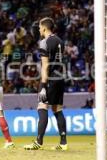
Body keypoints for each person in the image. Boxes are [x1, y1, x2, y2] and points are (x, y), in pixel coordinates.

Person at [24, 17, 68, 151]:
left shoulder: (44, 42)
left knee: (42, 107)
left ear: (44, 28)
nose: (38, 29)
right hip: (61, 78)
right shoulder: (60, 41)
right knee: (57, 109)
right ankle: (63, 142)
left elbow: (45, 66)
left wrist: (43, 85)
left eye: (39, 27)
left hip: (51, 79)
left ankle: (38, 141)